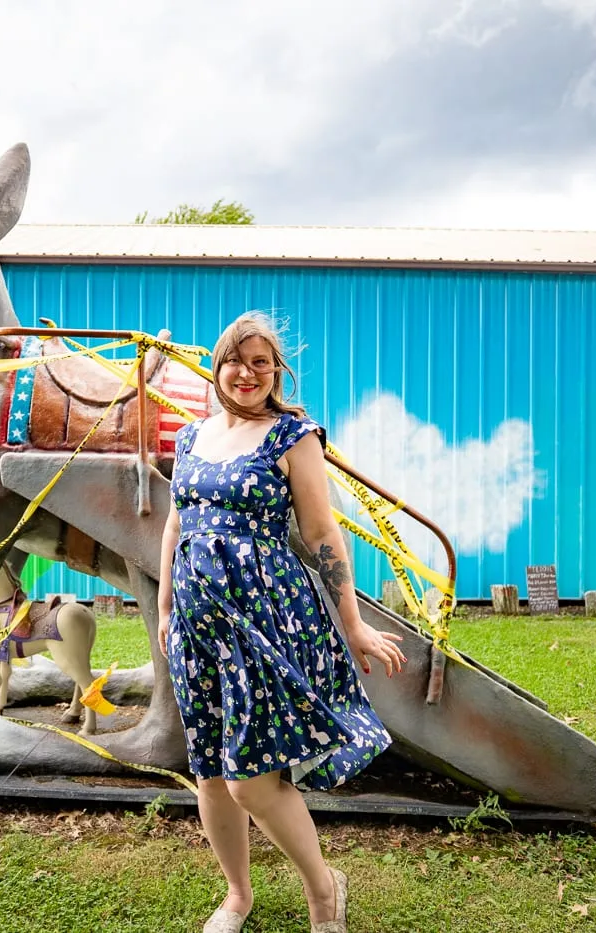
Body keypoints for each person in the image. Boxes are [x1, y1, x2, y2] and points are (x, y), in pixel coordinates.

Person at [156, 312, 406, 933]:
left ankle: (324, 892)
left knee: (251, 781)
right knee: (210, 770)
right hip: (195, 624)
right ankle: (237, 894)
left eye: (261, 362)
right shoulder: (191, 438)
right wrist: (163, 608)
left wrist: (352, 624)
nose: (247, 373)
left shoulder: (293, 436)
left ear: (276, 371)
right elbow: (176, 523)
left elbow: (322, 534)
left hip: (264, 620)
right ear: (217, 366)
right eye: (235, 360)